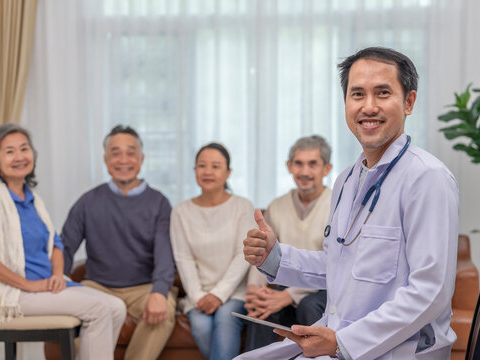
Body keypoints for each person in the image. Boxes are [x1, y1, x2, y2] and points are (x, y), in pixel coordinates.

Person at [240, 47, 459, 359]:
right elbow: (337, 267)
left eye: (382, 93)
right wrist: (274, 257)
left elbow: (430, 293)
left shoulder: (427, 178)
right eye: (358, 94)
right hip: (340, 342)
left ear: (409, 102)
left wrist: (343, 342)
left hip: (397, 351)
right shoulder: (346, 180)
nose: (368, 107)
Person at [0, 124, 126, 360]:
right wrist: (28, 285)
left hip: (44, 286)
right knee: (98, 309)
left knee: (117, 307)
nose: (19, 157)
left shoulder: (32, 198)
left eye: (24, 149)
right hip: (13, 293)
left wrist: (58, 275)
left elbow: (56, 244)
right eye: (9, 151)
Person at [61, 125, 176, 360]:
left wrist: (159, 291)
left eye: (131, 152)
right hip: (97, 286)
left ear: (141, 159)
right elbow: (65, 246)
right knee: (72, 311)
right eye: (115, 153)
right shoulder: (88, 201)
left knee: (165, 310)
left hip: (142, 287)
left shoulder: (159, 203)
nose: (123, 160)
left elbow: (165, 254)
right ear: (105, 160)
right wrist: (57, 280)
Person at [244, 135, 332, 351]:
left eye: (313, 164)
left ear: (327, 168)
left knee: (309, 306)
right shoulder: (277, 206)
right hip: (286, 282)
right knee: (263, 309)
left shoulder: (337, 205)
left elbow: (336, 267)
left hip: (323, 289)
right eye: (298, 163)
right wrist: (254, 291)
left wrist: (289, 295)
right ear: (289, 166)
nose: (304, 172)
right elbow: (265, 253)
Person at [170, 143, 255, 360]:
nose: (208, 172)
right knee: (201, 326)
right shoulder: (181, 211)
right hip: (197, 294)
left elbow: (242, 255)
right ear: (195, 170)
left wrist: (218, 294)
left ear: (228, 172)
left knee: (225, 318)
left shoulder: (243, 207)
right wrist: (199, 296)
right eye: (202, 166)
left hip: (234, 292)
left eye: (215, 166)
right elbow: (183, 257)